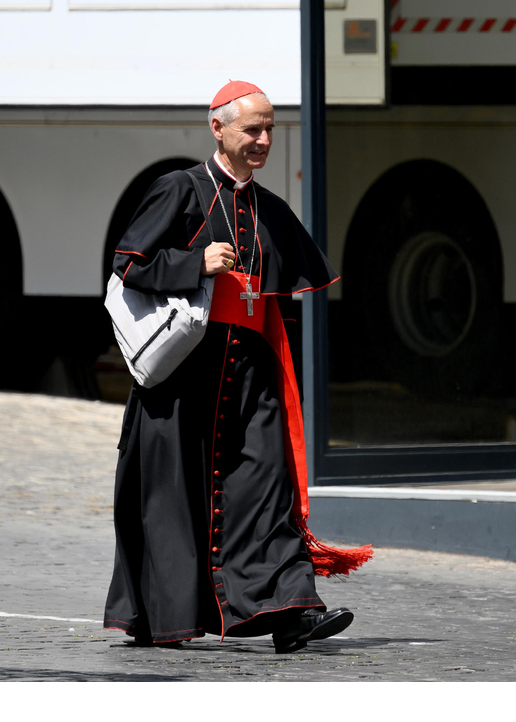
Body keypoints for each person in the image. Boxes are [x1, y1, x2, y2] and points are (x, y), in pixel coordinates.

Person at [104, 80, 372, 653]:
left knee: (266, 489)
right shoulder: (180, 190)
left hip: (250, 376)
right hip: (183, 376)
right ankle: (165, 618)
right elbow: (129, 265)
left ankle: (291, 612)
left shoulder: (270, 210)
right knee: (173, 500)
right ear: (217, 127)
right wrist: (193, 261)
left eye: (270, 128)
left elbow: (280, 301)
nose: (263, 139)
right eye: (252, 128)